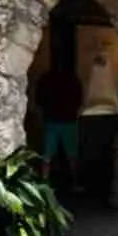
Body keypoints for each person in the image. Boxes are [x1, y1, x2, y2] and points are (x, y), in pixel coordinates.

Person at [35, 56, 83, 185]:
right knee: (71, 155)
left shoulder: (46, 79)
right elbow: (79, 101)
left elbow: (38, 102)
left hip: (53, 121)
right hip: (67, 120)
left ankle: (45, 184)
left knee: (48, 156)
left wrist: (40, 120)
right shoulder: (72, 79)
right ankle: (74, 183)